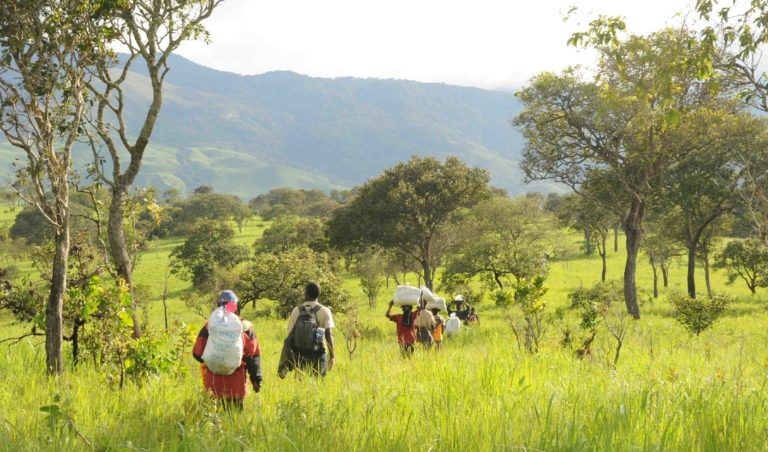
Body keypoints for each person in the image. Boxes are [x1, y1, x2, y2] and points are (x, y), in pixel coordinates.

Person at [192, 290, 262, 410]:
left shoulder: (210, 326)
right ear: (236, 306)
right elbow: (253, 356)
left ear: (219, 306)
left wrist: (214, 362)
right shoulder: (245, 327)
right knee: (234, 421)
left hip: (212, 385)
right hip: (236, 385)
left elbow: (197, 353)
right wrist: (256, 379)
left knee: (213, 421)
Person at [279, 281, 336, 378]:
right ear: (318, 294)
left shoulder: (296, 310)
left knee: (301, 383)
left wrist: (288, 360)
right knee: (319, 383)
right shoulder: (325, 311)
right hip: (319, 352)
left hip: (299, 354)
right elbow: (328, 334)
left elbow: (290, 335)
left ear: (305, 293)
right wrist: (332, 356)